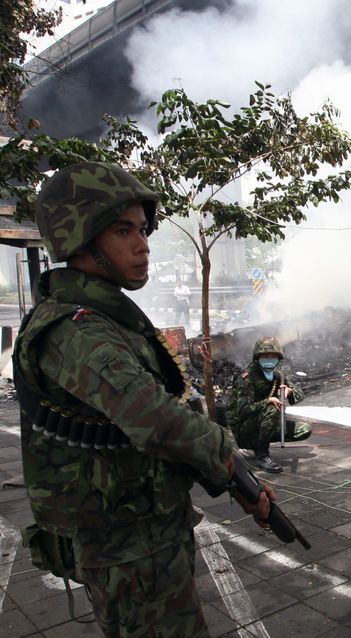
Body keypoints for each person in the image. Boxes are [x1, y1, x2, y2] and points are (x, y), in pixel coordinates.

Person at [13, 161, 274, 638]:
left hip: (143, 533)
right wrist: (231, 467)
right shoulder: (78, 331)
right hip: (126, 546)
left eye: (142, 230)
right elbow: (155, 419)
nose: (142, 245)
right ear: (81, 240)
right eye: (122, 231)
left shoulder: (103, 318)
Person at [225, 337, 311, 473]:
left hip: (263, 422)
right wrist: (268, 401)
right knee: (272, 409)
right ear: (257, 357)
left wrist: (289, 392)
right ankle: (262, 456)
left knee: (304, 429)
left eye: (273, 356)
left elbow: (300, 393)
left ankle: (260, 441)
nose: (269, 359)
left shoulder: (277, 375)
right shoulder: (247, 377)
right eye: (265, 356)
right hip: (244, 428)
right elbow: (243, 410)